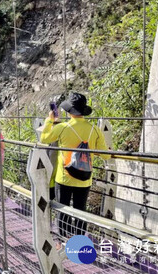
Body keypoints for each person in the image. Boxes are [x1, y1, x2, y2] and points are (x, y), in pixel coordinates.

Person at [40, 92, 110, 238]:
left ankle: (64, 239)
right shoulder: (94, 129)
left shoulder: (63, 128)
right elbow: (105, 155)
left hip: (64, 177)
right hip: (84, 177)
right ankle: (78, 241)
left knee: (63, 209)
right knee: (80, 210)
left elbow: (44, 139)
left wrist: (49, 120)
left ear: (69, 110)